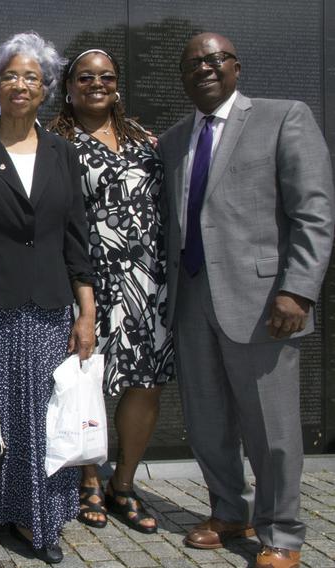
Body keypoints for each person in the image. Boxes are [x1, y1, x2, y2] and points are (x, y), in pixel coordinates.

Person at [160, 33, 334, 568]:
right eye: (193, 64)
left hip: (264, 304)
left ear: (237, 67)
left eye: (215, 60)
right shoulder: (172, 140)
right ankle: (228, 510)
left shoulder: (285, 118)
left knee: (271, 427)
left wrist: (297, 289)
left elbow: (314, 212)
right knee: (207, 419)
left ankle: (281, 532)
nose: (205, 69)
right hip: (190, 300)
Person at [0, 31, 96, 564]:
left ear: (46, 88)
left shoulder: (62, 153)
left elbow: (78, 237)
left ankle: (35, 518)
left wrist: (87, 311)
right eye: (11, 75)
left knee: (37, 419)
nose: (21, 84)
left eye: (32, 76)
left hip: (49, 308)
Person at [49, 49, 172, 534]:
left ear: (117, 85)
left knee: (146, 382)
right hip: (87, 281)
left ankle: (124, 482)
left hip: (148, 282)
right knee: (88, 379)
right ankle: (88, 479)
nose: (96, 83)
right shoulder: (55, 141)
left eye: (106, 76)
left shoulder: (144, 138)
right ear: (69, 87)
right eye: (85, 77)